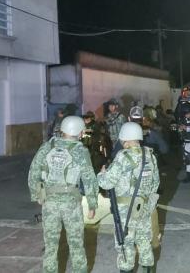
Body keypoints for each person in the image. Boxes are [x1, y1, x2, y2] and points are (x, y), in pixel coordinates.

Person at [27, 116, 99, 273]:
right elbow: (89, 178)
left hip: (49, 203)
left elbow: (34, 171)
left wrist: (36, 195)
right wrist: (92, 204)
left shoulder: (47, 146)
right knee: (76, 245)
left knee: (51, 247)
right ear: (79, 133)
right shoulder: (80, 150)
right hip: (71, 204)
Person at [98, 122, 160, 273]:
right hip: (144, 208)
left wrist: (101, 173)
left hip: (126, 211)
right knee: (145, 241)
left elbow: (106, 183)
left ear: (124, 139)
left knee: (125, 245)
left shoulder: (123, 157)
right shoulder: (150, 156)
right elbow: (156, 183)